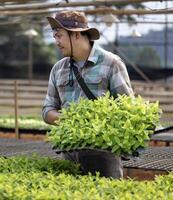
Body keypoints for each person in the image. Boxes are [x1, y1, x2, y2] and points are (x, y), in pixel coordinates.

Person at [42, 11, 134, 178]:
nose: (56, 41)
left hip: (103, 153)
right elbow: (47, 109)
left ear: (76, 35)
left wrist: (95, 124)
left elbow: (128, 110)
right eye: (55, 36)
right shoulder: (58, 69)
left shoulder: (111, 63)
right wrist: (69, 119)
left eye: (59, 36)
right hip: (69, 151)